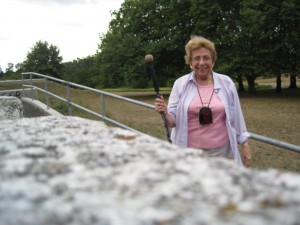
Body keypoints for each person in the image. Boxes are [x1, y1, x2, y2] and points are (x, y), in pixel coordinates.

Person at [155, 36, 252, 167]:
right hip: (187, 152)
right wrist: (165, 112)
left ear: (213, 61)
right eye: (196, 58)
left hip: (219, 152)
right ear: (190, 62)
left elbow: (237, 116)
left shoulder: (227, 83)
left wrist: (245, 144)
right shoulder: (180, 84)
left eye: (206, 58)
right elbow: (172, 122)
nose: (201, 63)